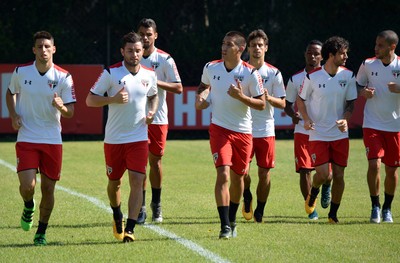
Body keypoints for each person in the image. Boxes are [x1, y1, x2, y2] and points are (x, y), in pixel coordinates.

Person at [86, 32, 158, 242]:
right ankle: (117, 214)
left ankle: (131, 229)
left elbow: (153, 96)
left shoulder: (149, 74)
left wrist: (152, 111)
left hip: (138, 138)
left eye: (137, 50)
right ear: (122, 52)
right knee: (114, 183)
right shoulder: (111, 73)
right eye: (130, 50)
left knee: (137, 180)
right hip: (114, 139)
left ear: (142, 51)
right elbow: (90, 100)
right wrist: (113, 99)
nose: (134, 54)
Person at [5, 31, 76, 246]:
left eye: (47, 46)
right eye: (39, 46)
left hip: (52, 140)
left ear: (53, 49)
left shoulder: (64, 77)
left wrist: (61, 106)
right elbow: (10, 93)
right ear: (34, 50)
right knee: (28, 186)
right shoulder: (21, 71)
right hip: (27, 137)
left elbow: (70, 111)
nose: (43, 50)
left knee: (48, 189)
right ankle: (28, 205)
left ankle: (41, 232)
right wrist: (14, 114)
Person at [195, 31, 265, 239]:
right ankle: (225, 225)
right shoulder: (211, 67)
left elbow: (261, 104)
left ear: (240, 49)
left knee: (238, 178)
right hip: (219, 129)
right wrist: (200, 98)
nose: (224, 48)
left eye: (229, 44)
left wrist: (241, 96)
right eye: (223, 43)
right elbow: (203, 86)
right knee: (223, 173)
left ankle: (232, 218)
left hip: (243, 133)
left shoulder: (251, 73)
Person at [297, 36, 357, 223]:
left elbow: (350, 103)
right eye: (342, 53)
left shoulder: (348, 76)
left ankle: (333, 214)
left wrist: (346, 120)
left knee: (339, 175)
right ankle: (314, 192)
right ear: (331, 55)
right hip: (318, 133)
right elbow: (300, 100)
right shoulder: (312, 77)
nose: (346, 56)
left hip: (340, 134)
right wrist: (306, 119)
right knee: (322, 174)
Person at [136, 18, 183, 223]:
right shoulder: (132, 57)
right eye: (142, 34)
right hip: (135, 119)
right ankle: (141, 207)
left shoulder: (165, 60)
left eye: (149, 34)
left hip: (157, 118)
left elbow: (178, 87)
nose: (145, 38)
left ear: (155, 35)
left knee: (154, 162)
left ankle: (157, 204)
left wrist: (156, 81)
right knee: (138, 164)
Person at [241, 29, 286, 223]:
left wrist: (269, 98)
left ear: (266, 48)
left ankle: (260, 208)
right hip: (243, 127)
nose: (257, 49)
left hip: (266, 129)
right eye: (253, 45)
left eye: (260, 45)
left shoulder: (274, 73)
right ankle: (247, 195)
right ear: (248, 48)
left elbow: (283, 103)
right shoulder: (241, 70)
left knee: (264, 173)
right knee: (242, 172)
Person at [285, 40, 332, 220]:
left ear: (322, 56)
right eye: (309, 53)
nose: (312, 56)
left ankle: (327, 186)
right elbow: (287, 105)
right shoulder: (295, 79)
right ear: (305, 54)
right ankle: (310, 207)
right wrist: (295, 117)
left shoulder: (330, 77)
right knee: (305, 170)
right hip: (302, 131)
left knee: (326, 174)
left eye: (316, 54)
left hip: (324, 132)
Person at [356, 30, 400, 224]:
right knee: (374, 164)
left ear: (392, 47)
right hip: (372, 123)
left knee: (392, 170)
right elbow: (356, 86)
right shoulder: (367, 64)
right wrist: (364, 92)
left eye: (380, 45)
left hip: (395, 125)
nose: (376, 48)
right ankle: (375, 206)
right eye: (375, 44)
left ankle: (387, 208)